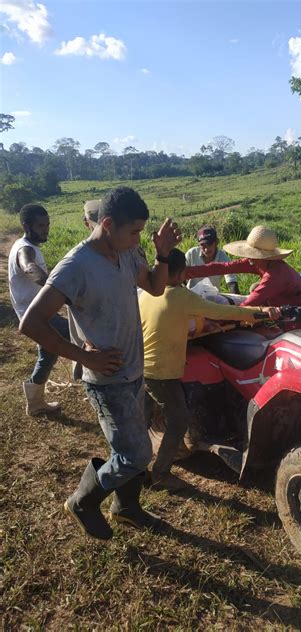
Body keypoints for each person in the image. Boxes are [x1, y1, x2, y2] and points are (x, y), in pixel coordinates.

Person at [20, 186, 181, 541]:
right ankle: (82, 501)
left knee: (127, 444)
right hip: (106, 378)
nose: (138, 237)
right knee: (137, 453)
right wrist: (83, 355)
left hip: (134, 369)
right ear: (107, 224)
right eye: (134, 231)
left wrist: (163, 254)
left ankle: (126, 508)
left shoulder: (126, 252)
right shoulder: (75, 267)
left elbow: (155, 287)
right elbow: (30, 323)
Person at [140, 248, 278, 490]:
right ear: (183, 273)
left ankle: (134, 466)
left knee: (141, 418)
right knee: (179, 419)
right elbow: (223, 311)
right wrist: (258, 313)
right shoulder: (182, 297)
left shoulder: (147, 294)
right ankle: (160, 473)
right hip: (162, 372)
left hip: (142, 366)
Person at [8, 203, 70, 416]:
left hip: (38, 313)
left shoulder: (26, 245)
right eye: (41, 225)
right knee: (79, 336)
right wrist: (57, 290)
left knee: (48, 354)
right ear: (27, 225)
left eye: (47, 224)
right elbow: (29, 266)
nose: (46, 229)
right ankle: (98, 384)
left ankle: (35, 403)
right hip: (36, 315)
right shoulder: (24, 249)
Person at [185, 225, 301, 315]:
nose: (248, 258)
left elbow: (248, 304)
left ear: (264, 256)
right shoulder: (257, 262)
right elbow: (222, 267)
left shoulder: (275, 275)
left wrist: (217, 316)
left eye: (252, 254)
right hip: (284, 311)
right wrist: (185, 272)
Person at [185, 226, 240, 294]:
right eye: (203, 245)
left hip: (212, 297)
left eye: (210, 244)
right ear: (199, 245)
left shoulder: (222, 257)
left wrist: (237, 302)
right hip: (192, 295)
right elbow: (181, 276)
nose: (206, 249)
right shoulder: (192, 254)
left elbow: (232, 282)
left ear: (216, 242)